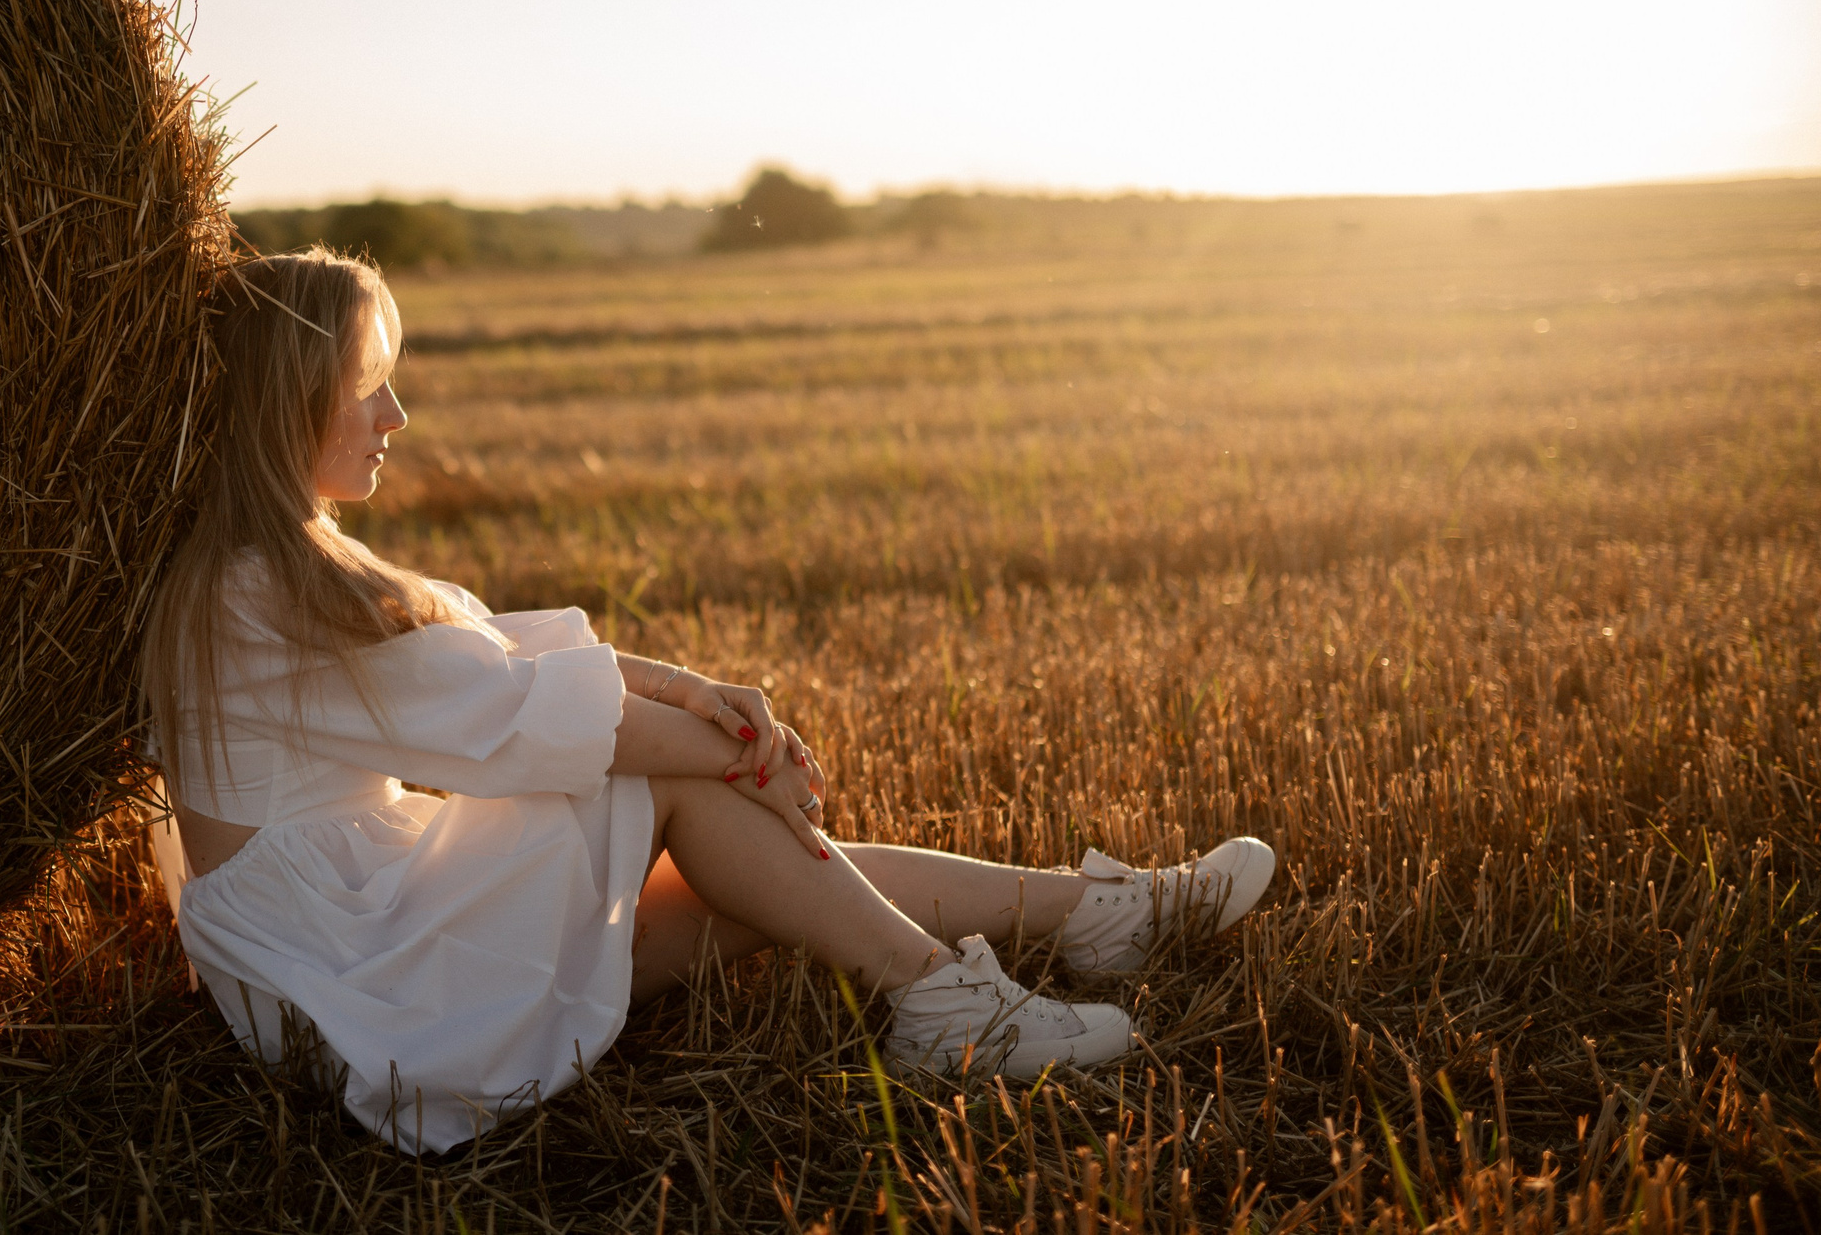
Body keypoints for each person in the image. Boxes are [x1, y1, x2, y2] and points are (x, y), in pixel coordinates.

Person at [140, 248, 1275, 1153]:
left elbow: (497, 650)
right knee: (669, 786)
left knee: (755, 885)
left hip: (369, 929)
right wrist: (735, 755)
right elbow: (522, 724)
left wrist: (705, 695)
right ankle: (950, 997)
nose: (395, 418)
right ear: (292, 403)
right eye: (365, 388)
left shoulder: (275, 561)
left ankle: (1088, 916)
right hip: (351, 986)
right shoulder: (260, 589)